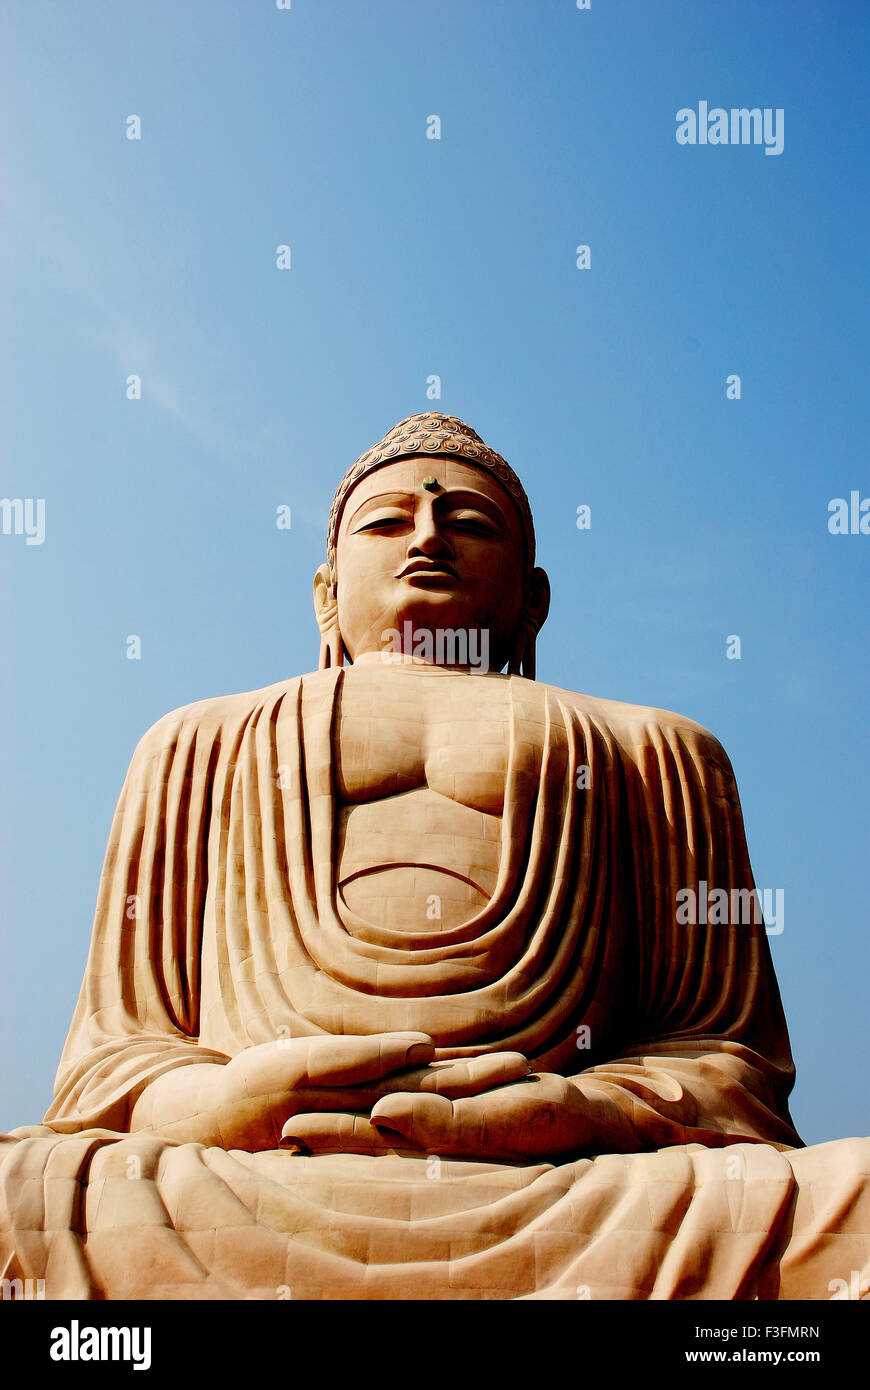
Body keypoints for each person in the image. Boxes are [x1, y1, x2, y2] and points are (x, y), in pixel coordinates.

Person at [1, 413, 866, 1300]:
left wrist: (585, 1109)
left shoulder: (656, 748)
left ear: (533, 601)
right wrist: (218, 1107)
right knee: (18, 1199)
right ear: (326, 594)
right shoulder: (196, 742)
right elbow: (118, 1055)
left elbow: (726, 1060)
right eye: (386, 521)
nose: (427, 537)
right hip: (246, 1179)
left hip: (572, 1193)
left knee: (853, 1206)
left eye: (471, 523)